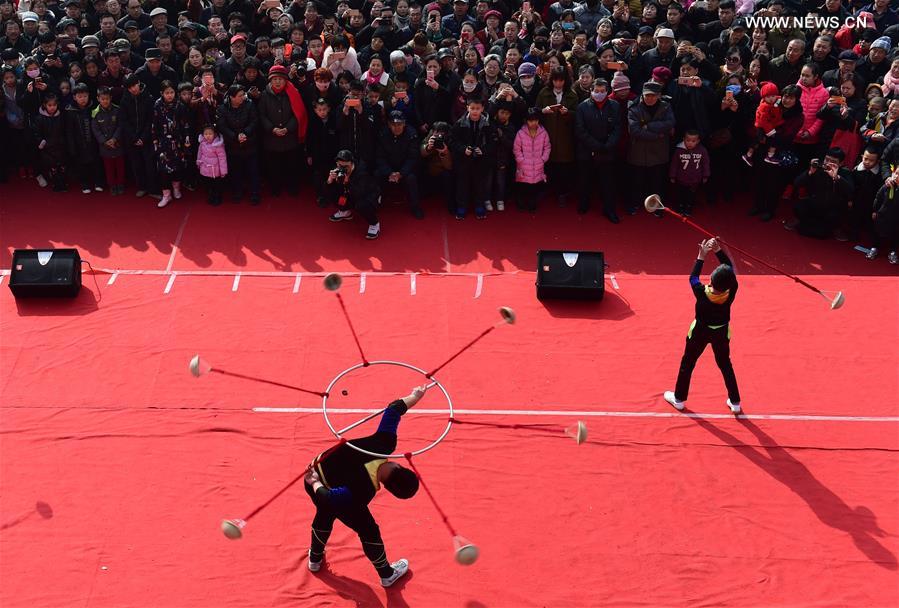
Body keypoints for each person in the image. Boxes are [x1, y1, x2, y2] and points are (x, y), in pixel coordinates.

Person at [304, 384, 426, 586]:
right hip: (322, 486)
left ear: (399, 466)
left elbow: (394, 409)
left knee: (325, 511)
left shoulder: (384, 445)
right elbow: (331, 498)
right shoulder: (364, 492)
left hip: (316, 478)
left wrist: (416, 396)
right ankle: (386, 574)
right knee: (368, 530)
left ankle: (315, 559)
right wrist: (316, 483)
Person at [664, 237, 742, 414]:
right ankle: (735, 402)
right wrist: (718, 251)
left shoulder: (701, 292)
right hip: (721, 332)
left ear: (712, 281)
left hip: (699, 332)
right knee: (725, 364)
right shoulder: (733, 289)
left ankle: (679, 399)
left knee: (688, 363)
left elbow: (693, 277)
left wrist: (701, 255)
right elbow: (729, 269)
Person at [574, 77, 621, 221]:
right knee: (584, 180)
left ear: (607, 91)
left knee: (608, 183)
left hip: (607, 151)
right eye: (596, 91)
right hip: (587, 151)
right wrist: (595, 145)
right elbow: (580, 130)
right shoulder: (582, 107)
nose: (599, 93)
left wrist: (607, 146)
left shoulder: (615, 106)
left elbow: (617, 128)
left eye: (602, 91)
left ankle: (609, 210)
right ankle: (584, 205)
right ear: (591, 91)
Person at [375, 110, 423, 219]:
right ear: (388, 124)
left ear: (404, 124)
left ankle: (415, 207)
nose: (397, 127)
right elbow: (380, 157)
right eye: (393, 124)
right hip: (389, 168)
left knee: (411, 179)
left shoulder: (412, 134)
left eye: (399, 124)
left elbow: (413, 158)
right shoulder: (383, 134)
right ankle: (376, 203)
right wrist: (389, 172)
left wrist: (401, 173)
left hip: (405, 168)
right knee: (377, 175)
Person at [327, 149, 382, 240]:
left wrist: (347, 181)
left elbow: (360, 193)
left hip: (370, 197)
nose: (343, 168)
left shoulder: (362, 172)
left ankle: (374, 224)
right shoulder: (338, 170)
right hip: (351, 193)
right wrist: (330, 181)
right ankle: (345, 211)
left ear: (352, 163)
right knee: (332, 193)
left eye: (346, 166)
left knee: (361, 205)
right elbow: (330, 190)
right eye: (340, 165)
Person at [513, 107, 551, 212]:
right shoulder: (520, 133)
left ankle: (532, 203)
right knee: (523, 186)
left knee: (535, 187)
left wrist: (543, 158)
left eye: (535, 120)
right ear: (526, 121)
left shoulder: (543, 132)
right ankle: (521, 203)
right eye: (530, 120)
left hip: (538, 164)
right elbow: (516, 149)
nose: (533, 123)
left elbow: (547, 147)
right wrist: (521, 160)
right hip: (524, 166)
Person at [92, 86, 126, 195]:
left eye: (107, 98)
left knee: (120, 167)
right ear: (98, 98)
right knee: (109, 169)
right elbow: (96, 130)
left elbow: (121, 126)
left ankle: (120, 184)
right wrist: (104, 141)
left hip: (118, 145)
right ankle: (112, 185)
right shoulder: (95, 113)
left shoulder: (117, 109)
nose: (105, 101)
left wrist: (114, 139)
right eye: (102, 99)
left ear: (110, 98)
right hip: (105, 147)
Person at [669, 129, 710, 217]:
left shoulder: (702, 150)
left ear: (698, 141)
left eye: (693, 141)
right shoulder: (679, 150)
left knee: (691, 195)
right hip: (681, 178)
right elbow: (674, 164)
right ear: (684, 139)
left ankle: (688, 208)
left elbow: (705, 163)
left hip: (695, 179)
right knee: (680, 194)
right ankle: (680, 207)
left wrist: (705, 175)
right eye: (688, 140)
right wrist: (672, 175)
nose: (690, 143)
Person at [742, 82, 783, 166]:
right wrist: (771, 131)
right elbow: (763, 121)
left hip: (770, 125)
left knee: (758, 142)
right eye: (768, 97)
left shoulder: (775, 101)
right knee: (759, 141)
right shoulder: (764, 107)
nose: (771, 98)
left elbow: (779, 98)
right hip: (762, 127)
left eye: (773, 96)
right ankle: (769, 156)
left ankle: (749, 155)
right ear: (764, 97)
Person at [196, 124, 228, 205]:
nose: (208, 136)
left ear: (215, 134)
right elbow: (200, 153)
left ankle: (217, 196)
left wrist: (223, 171)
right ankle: (211, 195)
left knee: (216, 185)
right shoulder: (202, 143)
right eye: (206, 134)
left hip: (215, 170)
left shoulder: (218, 145)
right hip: (205, 168)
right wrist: (199, 162)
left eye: (210, 134)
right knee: (208, 183)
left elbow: (222, 158)